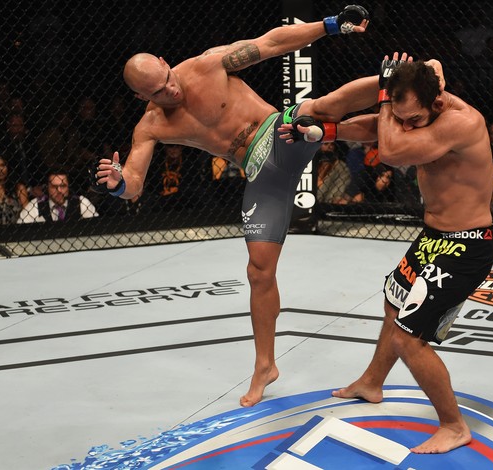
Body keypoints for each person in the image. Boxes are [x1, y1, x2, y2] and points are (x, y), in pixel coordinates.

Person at [92, 6, 377, 407]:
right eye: (157, 92)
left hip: (281, 135)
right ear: (142, 97)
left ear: (164, 62)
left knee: (314, 109)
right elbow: (134, 184)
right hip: (261, 175)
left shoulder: (207, 65)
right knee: (258, 271)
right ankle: (265, 365)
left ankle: (395, 81)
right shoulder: (152, 125)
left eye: (167, 78)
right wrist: (118, 183)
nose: (170, 90)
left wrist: (330, 26)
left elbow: (271, 43)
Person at [325, 56, 493, 454]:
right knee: (393, 304)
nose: (404, 125)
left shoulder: (461, 121)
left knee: (408, 339)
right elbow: (424, 76)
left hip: (467, 244)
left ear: (436, 103)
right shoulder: (423, 95)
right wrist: (327, 130)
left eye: (412, 119)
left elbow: (390, 150)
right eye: (400, 118)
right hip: (432, 237)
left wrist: (385, 95)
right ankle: (371, 382)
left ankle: (454, 425)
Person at [18, 170, 98, 223]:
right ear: (47, 188)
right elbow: (20, 230)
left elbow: (96, 227)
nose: (59, 190)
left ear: (68, 187)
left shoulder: (81, 203)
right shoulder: (35, 205)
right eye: (54, 187)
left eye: (63, 186)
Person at [0, 154, 29, 224]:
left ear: (8, 167)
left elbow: (27, 213)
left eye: (2, 165)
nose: (0, 170)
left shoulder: (19, 188)